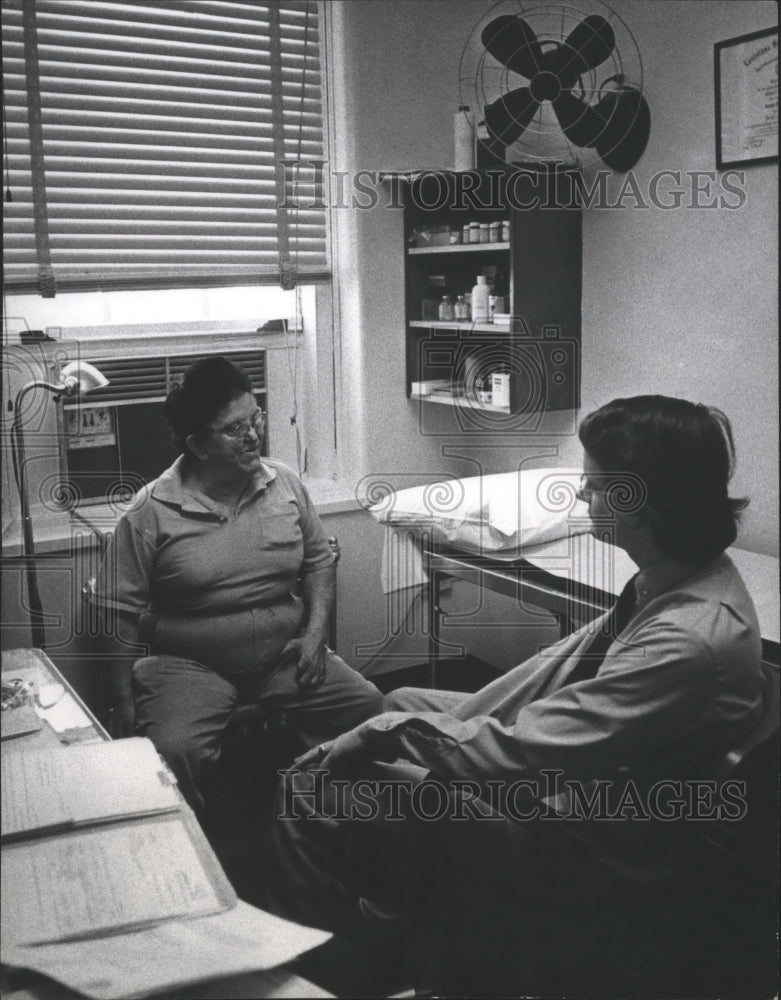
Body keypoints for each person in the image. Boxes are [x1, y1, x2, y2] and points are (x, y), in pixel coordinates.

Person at [261, 395, 770, 964]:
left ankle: (302, 962)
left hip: (586, 837)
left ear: (641, 504)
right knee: (403, 697)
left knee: (311, 785)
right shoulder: (677, 575)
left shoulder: (687, 639)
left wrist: (386, 735)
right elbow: (549, 675)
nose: (580, 494)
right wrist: (406, 724)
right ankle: (404, 901)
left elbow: (528, 752)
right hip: (584, 780)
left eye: (595, 485)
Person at [93, 356, 382, 811]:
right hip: (190, 666)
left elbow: (320, 562)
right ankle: (190, 855)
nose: (253, 435)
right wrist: (122, 701)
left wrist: (315, 633)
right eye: (235, 428)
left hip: (285, 655)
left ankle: (327, 820)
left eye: (256, 418)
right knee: (173, 752)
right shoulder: (150, 510)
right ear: (198, 444)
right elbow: (118, 611)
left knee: (370, 709)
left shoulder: (284, 483)